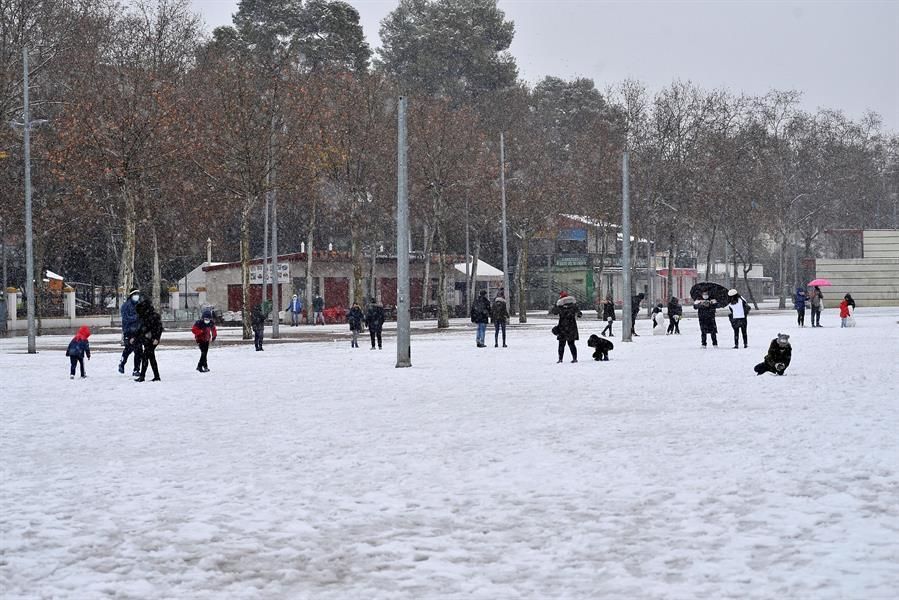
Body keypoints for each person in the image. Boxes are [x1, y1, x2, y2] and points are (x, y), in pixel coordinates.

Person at [133, 299, 163, 382]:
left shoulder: (152, 316)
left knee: (146, 357)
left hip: (152, 340)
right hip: (148, 339)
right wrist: (135, 337)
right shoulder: (145, 316)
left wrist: (156, 338)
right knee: (151, 357)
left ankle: (143, 376)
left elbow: (159, 328)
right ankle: (156, 376)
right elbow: (141, 329)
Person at [551, 291, 582, 363]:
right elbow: (579, 314)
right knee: (571, 344)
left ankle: (560, 359)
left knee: (561, 344)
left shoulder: (560, 306)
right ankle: (574, 358)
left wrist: (556, 305)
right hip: (571, 326)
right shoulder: (573, 306)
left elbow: (554, 312)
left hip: (562, 327)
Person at [118, 288, 142, 376]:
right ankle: (122, 363)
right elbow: (126, 318)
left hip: (138, 332)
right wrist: (137, 317)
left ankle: (136, 370)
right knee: (128, 349)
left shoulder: (139, 305)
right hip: (129, 331)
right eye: (135, 294)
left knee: (139, 351)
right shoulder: (126, 306)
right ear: (131, 295)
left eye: (138, 294)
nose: (137, 296)